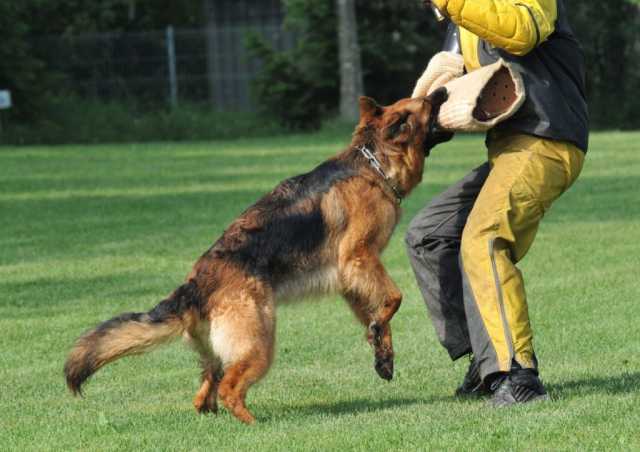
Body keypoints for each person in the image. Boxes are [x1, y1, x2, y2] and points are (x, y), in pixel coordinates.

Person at [405, 0, 588, 406]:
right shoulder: (463, 17)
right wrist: (407, 123)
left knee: (485, 235)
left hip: (548, 140)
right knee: (430, 234)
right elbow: (447, 70)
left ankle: (519, 377)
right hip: (509, 149)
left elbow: (521, 32)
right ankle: (487, 359)